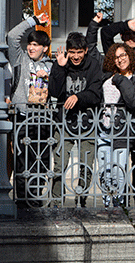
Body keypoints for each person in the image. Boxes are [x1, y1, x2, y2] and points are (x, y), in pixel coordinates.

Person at [48, 32, 103, 207]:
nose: (76, 56)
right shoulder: (62, 64)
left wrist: (78, 97)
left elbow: (96, 94)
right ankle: (57, 202)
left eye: (79, 52)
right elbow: (55, 92)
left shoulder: (94, 65)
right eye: (72, 52)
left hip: (88, 123)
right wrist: (60, 67)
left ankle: (81, 201)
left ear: (86, 50)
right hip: (64, 122)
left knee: (85, 166)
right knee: (59, 165)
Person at [5, 13, 53, 208]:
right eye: (30, 44)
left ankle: (35, 197)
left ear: (45, 48)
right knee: (21, 161)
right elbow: (12, 36)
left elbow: (57, 89)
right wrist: (33, 21)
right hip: (21, 117)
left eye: (36, 45)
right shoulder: (20, 59)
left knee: (40, 161)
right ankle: (22, 199)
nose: (31, 47)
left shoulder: (51, 65)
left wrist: (49, 77)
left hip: (42, 120)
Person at [97, 43, 135, 207]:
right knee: (105, 172)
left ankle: (118, 207)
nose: (120, 60)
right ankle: (107, 206)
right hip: (103, 130)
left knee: (119, 172)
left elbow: (134, 102)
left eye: (123, 55)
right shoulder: (106, 75)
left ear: (130, 55)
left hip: (123, 131)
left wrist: (119, 79)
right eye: (116, 57)